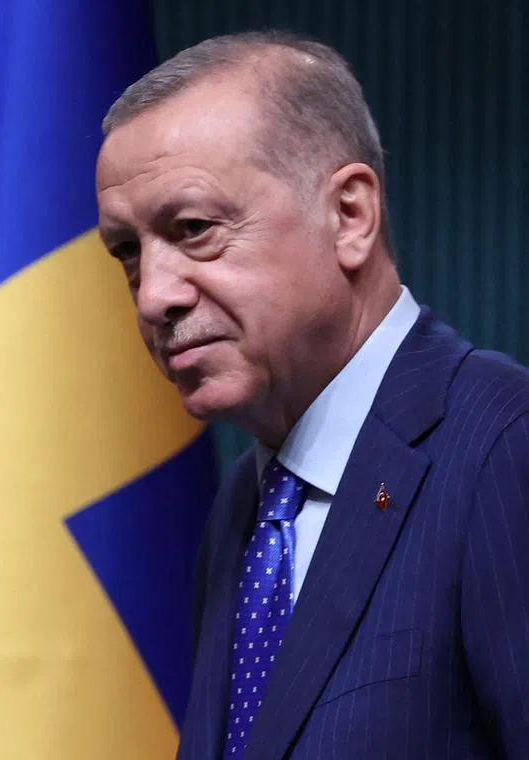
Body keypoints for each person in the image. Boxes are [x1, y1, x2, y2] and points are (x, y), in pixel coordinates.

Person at [96, 30, 529, 759]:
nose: (153, 297)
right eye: (129, 253)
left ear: (350, 215)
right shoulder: (249, 506)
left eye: (194, 229)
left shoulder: (503, 449)